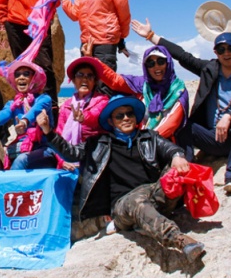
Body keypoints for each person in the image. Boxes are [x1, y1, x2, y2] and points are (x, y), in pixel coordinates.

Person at [45, 95, 204, 262]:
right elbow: (72, 153)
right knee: (136, 202)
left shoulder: (150, 137)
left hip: (153, 193)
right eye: (119, 116)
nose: (126, 118)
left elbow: (170, 149)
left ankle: (145, 220)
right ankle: (180, 240)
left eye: (129, 114)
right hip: (123, 204)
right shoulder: (98, 143)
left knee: (177, 170)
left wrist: (177, 155)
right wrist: (48, 132)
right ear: (111, 122)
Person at [132, 19, 231, 196]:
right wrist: (151, 36)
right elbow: (183, 56)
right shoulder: (210, 69)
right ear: (215, 52)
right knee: (184, 125)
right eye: (221, 49)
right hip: (211, 137)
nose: (226, 53)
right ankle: (187, 171)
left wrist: (230, 116)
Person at [93, 46, 189, 143]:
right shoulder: (142, 85)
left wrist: (145, 142)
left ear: (168, 63)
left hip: (167, 143)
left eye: (161, 61)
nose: (156, 66)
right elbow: (115, 81)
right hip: (141, 140)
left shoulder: (178, 90)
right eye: (150, 63)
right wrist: (92, 61)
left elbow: (171, 124)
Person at [0, 61, 53, 169]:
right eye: (17, 75)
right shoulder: (14, 103)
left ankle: (12, 186)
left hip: (44, 148)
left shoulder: (44, 99)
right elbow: (6, 111)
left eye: (26, 74)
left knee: (21, 161)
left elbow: (36, 110)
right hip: (22, 146)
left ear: (34, 78)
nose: (21, 77)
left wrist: (25, 121)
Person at [39, 57, 109, 145]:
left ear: (94, 81)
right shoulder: (66, 105)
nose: (85, 79)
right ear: (73, 80)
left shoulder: (102, 101)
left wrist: (83, 118)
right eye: (80, 75)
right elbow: (60, 132)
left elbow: (96, 117)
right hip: (67, 150)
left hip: (91, 150)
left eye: (90, 76)